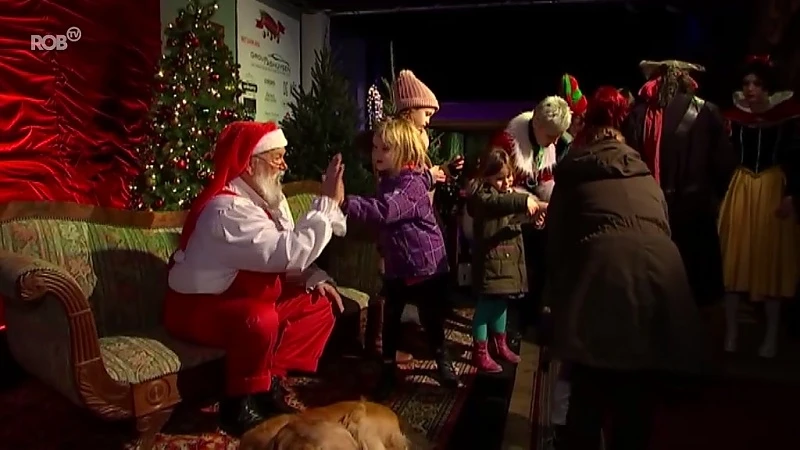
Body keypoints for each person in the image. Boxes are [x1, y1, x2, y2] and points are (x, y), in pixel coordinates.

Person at [544, 87, 708, 450]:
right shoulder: (645, 175)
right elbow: (662, 228)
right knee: (636, 395)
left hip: (602, 281)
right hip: (660, 286)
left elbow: (556, 245)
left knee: (588, 389)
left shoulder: (573, 174)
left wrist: (556, 305)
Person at [164, 121, 347, 435]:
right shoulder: (226, 210)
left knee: (319, 303)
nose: (284, 165)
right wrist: (327, 204)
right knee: (259, 319)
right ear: (250, 163)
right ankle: (237, 406)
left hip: (244, 300)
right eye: (277, 158)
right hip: (200, 307)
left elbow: (287, 261)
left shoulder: (270, 200)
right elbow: (287, 252)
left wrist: (313, 276)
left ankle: (268, 383)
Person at [342, 117, 458, 400]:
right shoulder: (391, 179)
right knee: (391, 320)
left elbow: (387, 211)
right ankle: (387, 367)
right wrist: (436, 174)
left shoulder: (410, 185)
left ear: (405, 152)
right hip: (397, 266)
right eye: (375, 148)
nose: (377, 155)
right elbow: (422, 180)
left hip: (426, 267)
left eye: (385, 149)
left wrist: (345, 202)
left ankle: (442, 359)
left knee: (431, 320)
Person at [623, 60, 737, 311]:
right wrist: (713, 197)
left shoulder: (638, 114)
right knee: (697, 291)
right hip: (695, 212)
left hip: (649, 210)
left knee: (653, 288)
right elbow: (724, 163)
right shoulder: (708, 111)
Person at [717, 55, 800, 358]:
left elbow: (796, 158)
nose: (750, 89)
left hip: (772, 187)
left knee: (771, 264)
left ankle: (771, 338)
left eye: (757, 84)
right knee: (734, 260)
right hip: (742, 186)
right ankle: (731, 333)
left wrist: (793, 195)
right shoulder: (733, 116)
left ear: (768, 88)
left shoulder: (790, 116)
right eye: (747, 83)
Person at [489, 96, 572, 338]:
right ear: (536, 124)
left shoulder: (546, 143)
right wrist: (534, 207)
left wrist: (547, 208)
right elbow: (499, 190)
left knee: (545, 253)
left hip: (531, 212)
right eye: (552, 136)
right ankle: (516, 322)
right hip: (505, 215)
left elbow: (545, 180)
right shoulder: (507, 142)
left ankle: (532, 317)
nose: (556, 141)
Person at [466, 148, 541, 372]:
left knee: (501, 304)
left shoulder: (504, 197)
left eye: (509, 176)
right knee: (486, 308)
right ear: (486, 177)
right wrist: (525, 201)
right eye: (499, 177)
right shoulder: (483, 198)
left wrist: (532, 219)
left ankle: (500, 343)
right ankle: (479, 351)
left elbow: (510, 218)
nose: (506, 181)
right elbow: (500, 206)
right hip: (491, 263)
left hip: (506, 262)